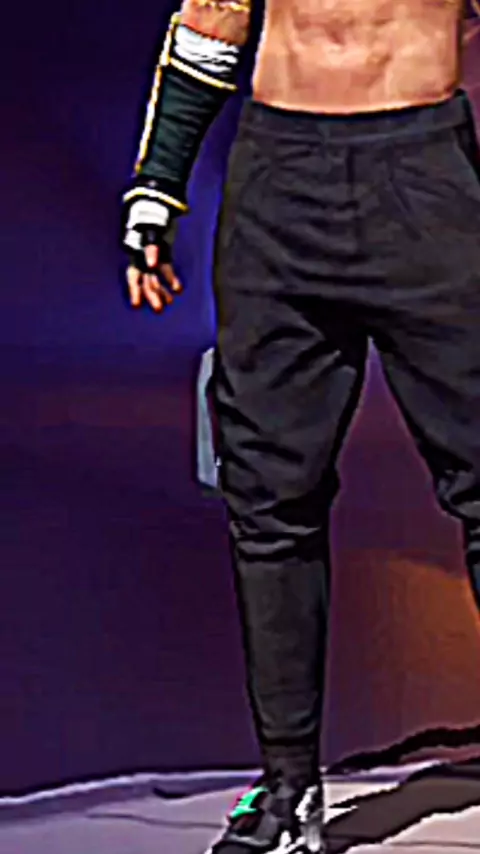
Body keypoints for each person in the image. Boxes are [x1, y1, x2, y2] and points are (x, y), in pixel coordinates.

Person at [120, 0, 480, 851]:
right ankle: (288, 791)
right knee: (268, 496)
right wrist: (158, 188)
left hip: (423, 178)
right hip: (279, 185)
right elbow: (213, 17)